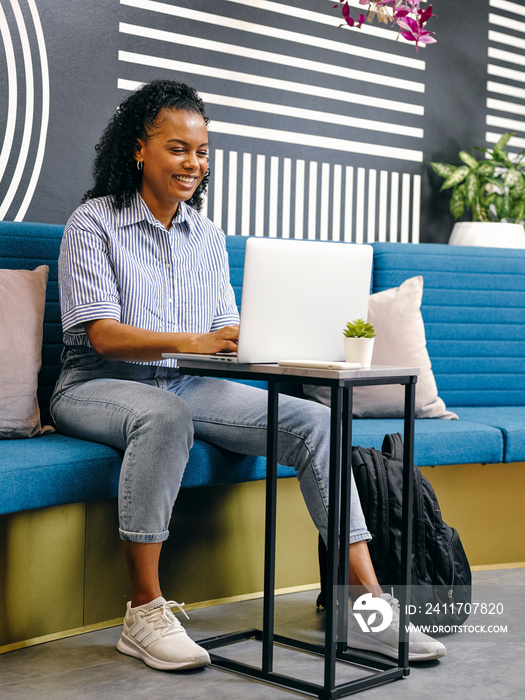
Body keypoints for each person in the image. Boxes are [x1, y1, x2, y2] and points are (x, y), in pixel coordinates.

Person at [50, 79, 445, 671]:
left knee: (316, 421)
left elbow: (224, 328)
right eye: (178, 148)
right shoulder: (93, 223)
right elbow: (103, 334)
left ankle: (367, 601)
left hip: (188, 380)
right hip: (97, 383)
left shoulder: (206, 237)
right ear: (138, 148)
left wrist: (251, 339)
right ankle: (144, 611)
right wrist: (198, 340)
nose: (193, 163)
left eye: (202, 151)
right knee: (165, 415)